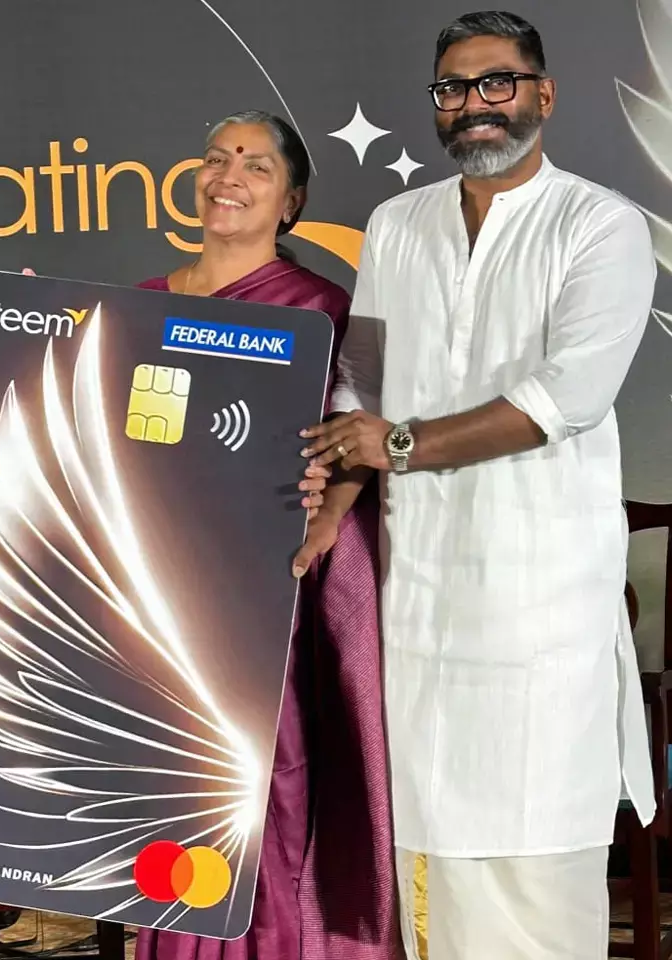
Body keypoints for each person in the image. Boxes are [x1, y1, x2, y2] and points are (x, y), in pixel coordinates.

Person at [299, 11, 656, 959]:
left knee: (536, 870)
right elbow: (363, 384)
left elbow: (566, 397)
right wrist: (329, 515)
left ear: (543, 94)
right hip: (422, 605)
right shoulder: (397, 223)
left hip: (542, 607)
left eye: (497, 82)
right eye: (453, 88)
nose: (474, 105)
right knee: (430, 867)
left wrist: (397, 444)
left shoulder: (600, 224)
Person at [133, 113, 397, 960]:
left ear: (292, 201)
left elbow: (353, 446)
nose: (228, 176)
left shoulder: (320, 310)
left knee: (260, 789)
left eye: (255, 165)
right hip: (158, 597)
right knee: (171, 798)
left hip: (263, 598)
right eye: (216, 158)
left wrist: (327, 492)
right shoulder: (140, 305)